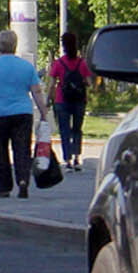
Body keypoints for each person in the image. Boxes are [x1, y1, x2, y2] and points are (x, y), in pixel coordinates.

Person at [0, 28, 43, 198]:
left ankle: (4, 187)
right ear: (15, 45)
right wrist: (43, 112)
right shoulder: (26, 67)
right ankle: (22, 180)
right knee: (22, 149)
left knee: (0, 152)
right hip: (22, 113)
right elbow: (36, 91)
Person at [48, 30, 93, 171]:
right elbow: (89, 82)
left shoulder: (58, 63)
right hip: (79, 100)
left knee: (64, 130)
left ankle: (67, 160)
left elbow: (51, 84)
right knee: (77, 129)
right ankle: (77, 158)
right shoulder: (82, 63)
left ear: (63, 46)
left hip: (62, 99)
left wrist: (48, 99)